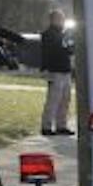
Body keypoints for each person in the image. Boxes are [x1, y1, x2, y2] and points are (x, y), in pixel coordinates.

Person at [38, 8, 74, 136]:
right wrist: (45, 69)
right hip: (55, 71)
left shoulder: (63, 34)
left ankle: (61, 125)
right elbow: (52, 52)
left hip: (65, 70)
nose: (62, 21)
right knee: (53, 99)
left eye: (63, 19)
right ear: (53, 20)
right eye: (60, 19)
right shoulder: (49, 35)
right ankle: (46, 126)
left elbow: (69, 49)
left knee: (65, 99)